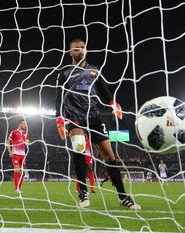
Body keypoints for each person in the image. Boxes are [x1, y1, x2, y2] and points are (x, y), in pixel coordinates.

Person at [55, 38, 140, 209]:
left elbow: (104, 90)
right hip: (74, 117)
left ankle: (123, 196)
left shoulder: (94, 70)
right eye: (76, 49)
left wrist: (113, 103)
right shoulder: (64, 73)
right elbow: (58, 97)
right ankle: (83, 192)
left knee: (109, 155)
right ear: (70, 52)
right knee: (79, 147)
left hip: (93, 116)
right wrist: (59, 117)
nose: (80, 51)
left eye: (83, 48)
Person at [6, 119, 30, 193]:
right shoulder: (14, 132)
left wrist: (28, 143)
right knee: (17, 170)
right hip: (16, 154)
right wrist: (10, 152)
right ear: (19, 124)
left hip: (23, 155)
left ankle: (19, 188)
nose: (25, 125)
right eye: (23, 124)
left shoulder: (26, 134)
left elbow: (28, 142)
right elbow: (8, 142)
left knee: (22, 172)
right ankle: (16, 189)